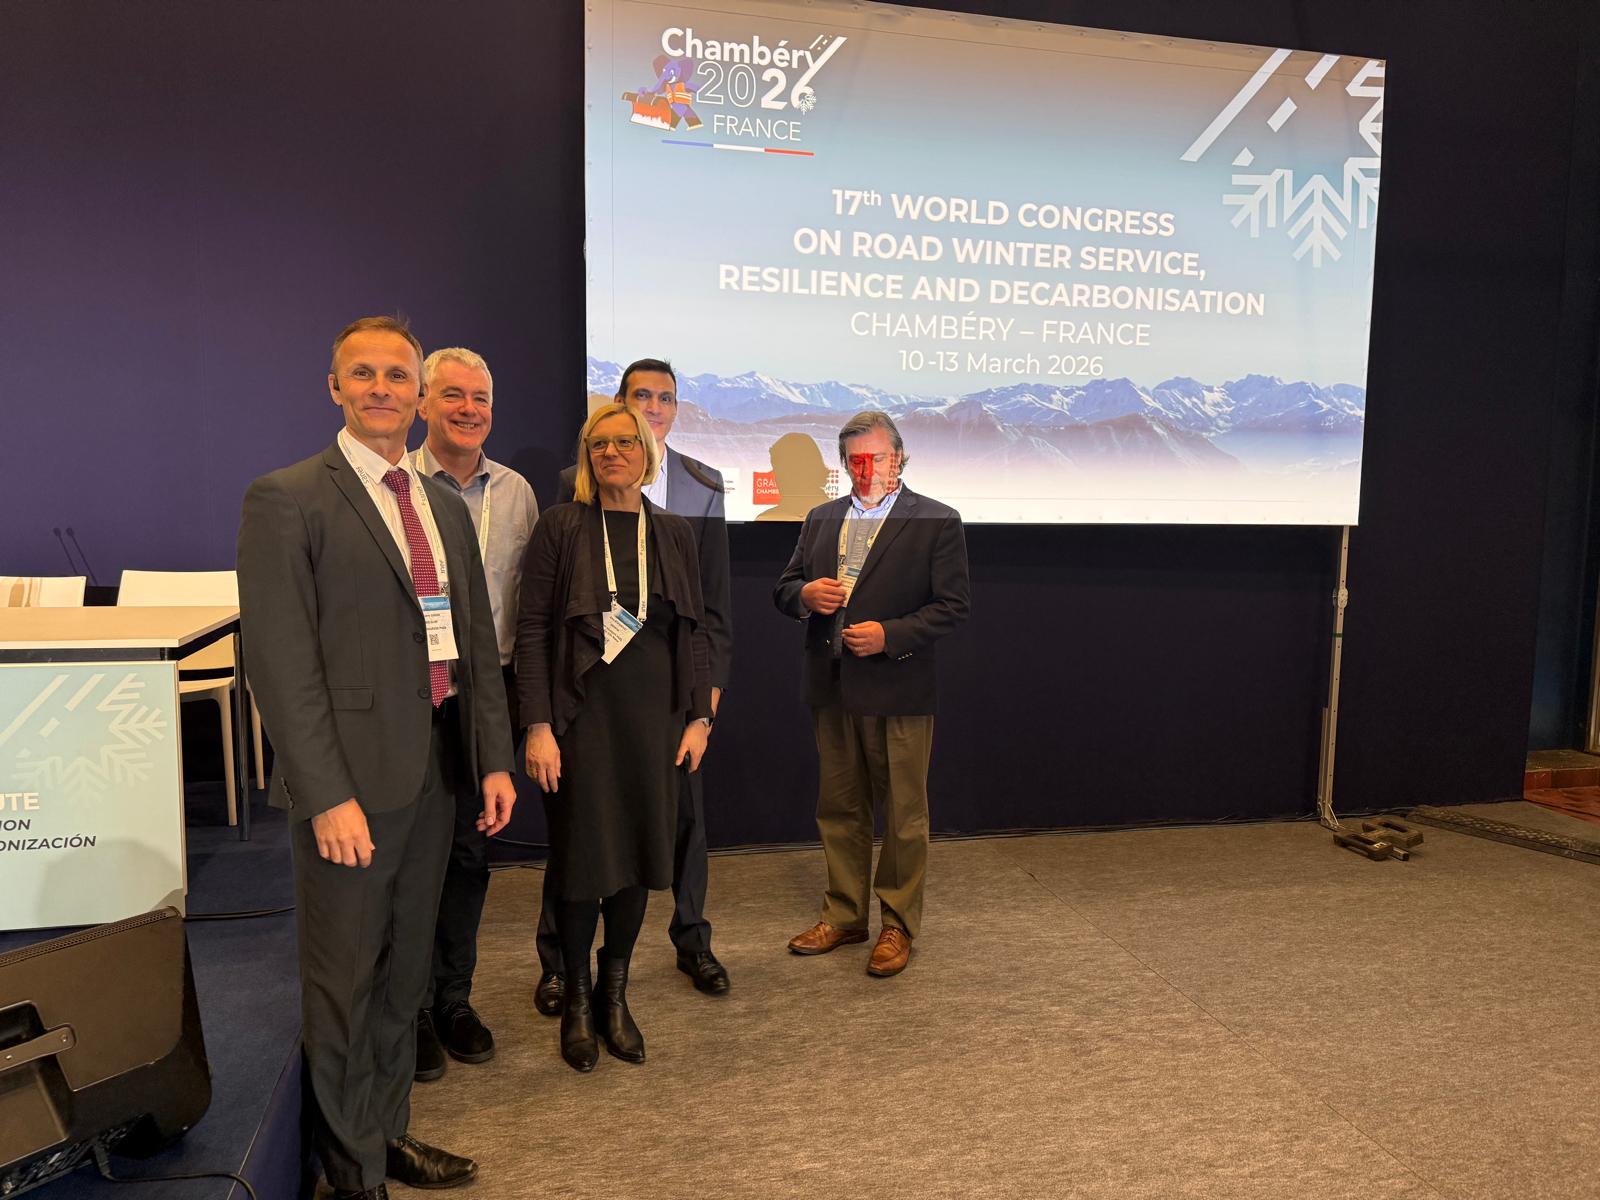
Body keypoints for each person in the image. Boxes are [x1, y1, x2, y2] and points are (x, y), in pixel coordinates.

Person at [238, 316, 517, 1199]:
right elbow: (280, 662)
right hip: (350, 787)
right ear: (335, 388)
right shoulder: (287, 498)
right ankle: (352, 1171)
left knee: (404, 974)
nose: (382, 389)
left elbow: (472, 644)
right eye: (363, 373)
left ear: (418, 394)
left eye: (398, 375)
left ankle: (386, 1130)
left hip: (435, 774)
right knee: (346, 981)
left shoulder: (440, 504)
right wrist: (324, 794)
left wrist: (493, 758)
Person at [516, 402, 714, 1072]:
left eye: (624, 442)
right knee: (583, 863)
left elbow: (695, 631)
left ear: (646, 451)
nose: (611, 453)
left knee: (638, 860)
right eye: (598, 444)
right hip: (580, 723)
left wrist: (699, 717)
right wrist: (538, 726)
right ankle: (576, 995)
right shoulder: (561, 526)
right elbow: (533, 631)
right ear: (586, 456)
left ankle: (614, 993)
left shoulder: (674, 532)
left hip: (655, 723)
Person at [773, 411, 970, 977]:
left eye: (876, 458)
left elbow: (953, 605)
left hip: (898, 685)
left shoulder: (936, 519)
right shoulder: (820, 518)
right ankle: (845, 915)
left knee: (903, 815)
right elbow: (785, 589)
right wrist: (804, 595)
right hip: (831, 684)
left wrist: (891, 635)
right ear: (843, 464)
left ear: (898, 458)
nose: (866, 469)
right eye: (855, 460)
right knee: (839, 807)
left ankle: (897, 924)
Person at [409, 347, 540, 1082]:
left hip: (490, 694)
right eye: (452, 395)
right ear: (424, 403)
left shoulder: (516, 493)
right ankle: (411, 1009)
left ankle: (453, 1000)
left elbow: (529, 607)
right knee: (410, 858)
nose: (468, 409)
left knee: (468, 853)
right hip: (413, 695)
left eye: (480, 398)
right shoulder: (397, 484)